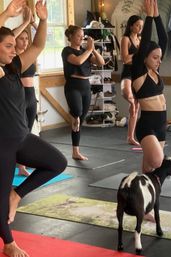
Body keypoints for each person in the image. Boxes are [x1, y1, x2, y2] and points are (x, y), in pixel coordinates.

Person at [0, 1, 68, 257]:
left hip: (21, 138)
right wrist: (6, 14)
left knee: (57, 163)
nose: (14, 48)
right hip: (2, 144)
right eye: (7, 45)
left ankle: (17, 195)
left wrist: (43, 20)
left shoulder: (13, 67)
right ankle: (8, 244)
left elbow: (38, 46)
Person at [131, 0, 167, 174]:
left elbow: (164, 39)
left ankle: (146, 195)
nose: (159, 61)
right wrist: (149, 17)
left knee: (151, 167)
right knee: (158, 160)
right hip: (147, 125)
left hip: (161, 123)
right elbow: (145, 42)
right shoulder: (139, 72)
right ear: (145, 57)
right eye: (155, 57)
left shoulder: (155, 70)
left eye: (160, 57)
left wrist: (157, 14)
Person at [62, 25, 105, 160]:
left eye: (82, 36)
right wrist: (89, 50)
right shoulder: (67, 51)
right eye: (78, 36)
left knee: (79, 121)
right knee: (77, 112)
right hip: (73, 86)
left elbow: (101, 62)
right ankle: (74, 115)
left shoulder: (85, 51)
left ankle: (76, 151)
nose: (81, 38)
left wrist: (94, 50)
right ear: (71, 37)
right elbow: (78, 61)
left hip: (86, 87)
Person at [13, 6, 38, 177]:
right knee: (20, 132)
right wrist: (25, 23)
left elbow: (40, 41)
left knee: (28, 131)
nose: (24, 41)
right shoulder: (12, 58)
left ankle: (22, 162)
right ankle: (20, 165)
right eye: (21, 39)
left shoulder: (30, 55)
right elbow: (12, 34)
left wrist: (36, 23)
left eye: (26, 38)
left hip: (31, 95)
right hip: (19, 97)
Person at [120, 15, 143, 146]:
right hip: (128, 72)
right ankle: (132, 104)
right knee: (128, 95)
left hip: (137, 73)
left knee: (136, 105)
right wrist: (138, 52)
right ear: (131, 26)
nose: (140, 28)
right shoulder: (125, 39)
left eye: (141, 26)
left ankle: (130, 137)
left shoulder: (140, 39)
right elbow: (125, 59)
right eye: (138, 25)